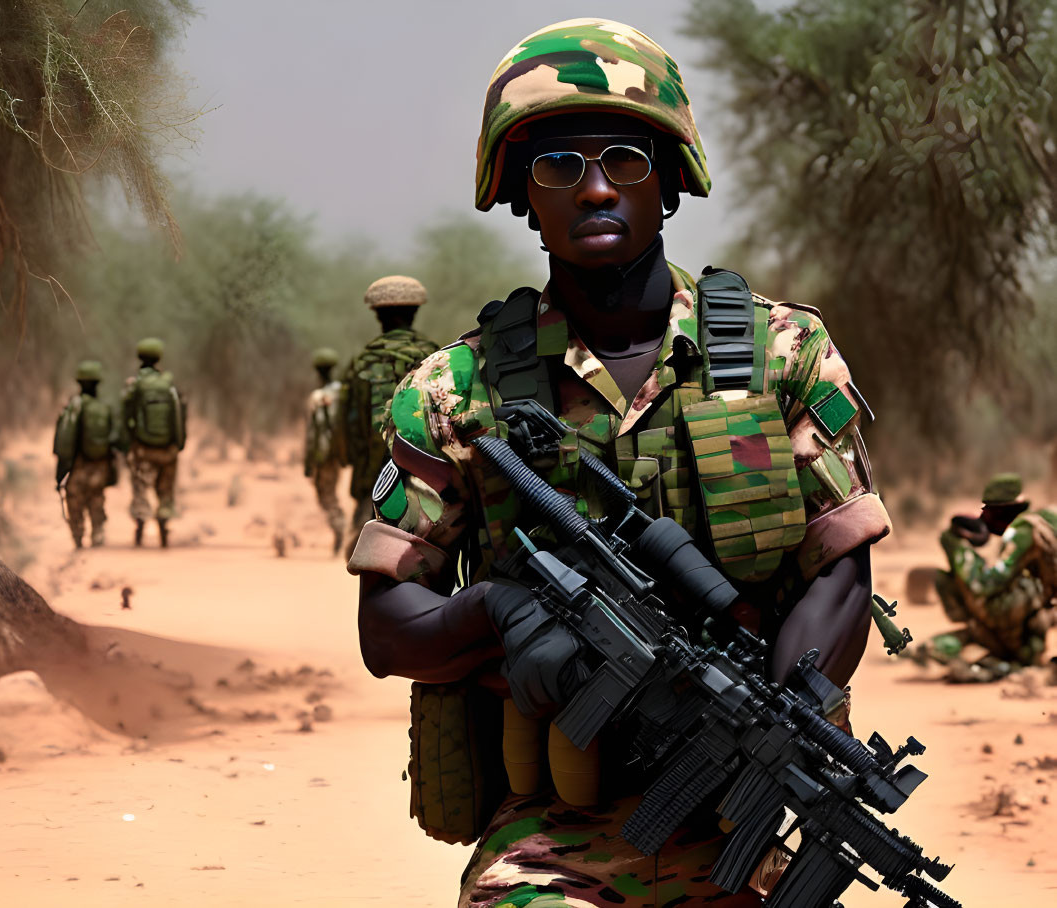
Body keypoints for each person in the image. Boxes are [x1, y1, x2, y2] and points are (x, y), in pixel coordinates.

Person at [348, 18, 892, 907]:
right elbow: (387, 624)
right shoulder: (453, 388)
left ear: (671, 180)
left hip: (741, 810)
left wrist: (771, 716)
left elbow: (839, 574)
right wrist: (498, 611)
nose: (594, 189)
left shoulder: (781, 353)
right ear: (521, 195)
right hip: (554, 828)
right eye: (558, 166)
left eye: (625, 161)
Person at [917, 473, 1057, 681]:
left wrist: (956, 544)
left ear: (1001, 510)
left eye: (988, 511)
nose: (984, 518)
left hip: (1013, 623)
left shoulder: (1021, 530)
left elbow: (988, 583)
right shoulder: (1045, 519)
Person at [341, 275, 438, 559]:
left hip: (374, 470)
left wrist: (359, 467)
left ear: (378, 316)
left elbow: (352, 422)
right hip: (424, 468)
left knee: (364, 547)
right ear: (415, 312)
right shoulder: (434, 357)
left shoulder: (363, 361)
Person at [120, 337, 186, 548]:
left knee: (140, 489)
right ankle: (164, 530)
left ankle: (140, 530)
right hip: (168, 450)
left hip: (143, 449)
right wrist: (178, 444)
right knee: (165, 492)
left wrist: (129, 443)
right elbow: (179, 415)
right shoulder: (169, 385)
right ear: (159, 358)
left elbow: (126, 416)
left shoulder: (136, 385)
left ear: (140, 357)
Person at [53, 360, 118, 549]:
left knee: (74, 501)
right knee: (97, 499)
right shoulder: (104, 409)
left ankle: (78, 537)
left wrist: (60, 475)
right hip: (99, 465)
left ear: (79, 383)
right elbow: (113, 440)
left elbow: (63, 444)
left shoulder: (73, 408)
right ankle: (98, 533)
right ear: (97, 383)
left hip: (77, 466)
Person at [305, 347, 346, 555]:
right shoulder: (341, 392)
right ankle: (341, 527)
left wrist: (307, 461)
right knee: (329, 492)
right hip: (338, 452)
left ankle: (341, 528)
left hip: (323, 454)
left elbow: (313, 433)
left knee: (326, 495)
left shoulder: (317, 396)